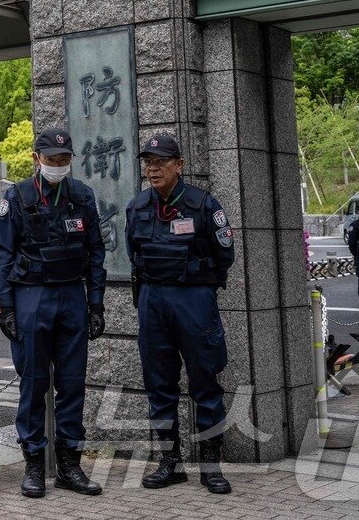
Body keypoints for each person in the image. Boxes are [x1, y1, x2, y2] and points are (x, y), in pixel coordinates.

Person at [0, 127, 106, 498]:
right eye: (51, 158)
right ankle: (34, 465)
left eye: (64, 159)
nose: (58, 165)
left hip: (72, 295)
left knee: (72, 384)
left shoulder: (82, 196)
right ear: (36, 157)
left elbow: (96, 253)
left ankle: (70, 466)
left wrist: (96, 304)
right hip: (32, 297)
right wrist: (7, 308)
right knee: (34, 382)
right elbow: (3, 256)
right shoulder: (18, 197)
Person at [126, 133, 234, 495]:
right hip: (153, 300)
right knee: (159, 385)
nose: (153, 168)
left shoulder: (203, 205)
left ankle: (210, 465)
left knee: (205, 382)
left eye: (161, 162)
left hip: (193, 300)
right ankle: (169, 463)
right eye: (148, 162)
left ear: (179, 165)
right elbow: (134, 254)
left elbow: (224, 257)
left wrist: (199, 285)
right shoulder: (138, 206)